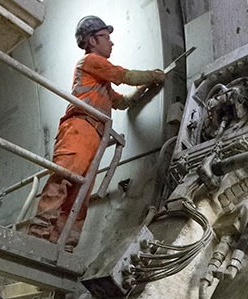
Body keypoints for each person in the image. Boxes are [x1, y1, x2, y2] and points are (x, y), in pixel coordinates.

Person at [27, 15, 165, 253]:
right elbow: (126, 76)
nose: (111, 43)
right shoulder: (90, 61)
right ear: (92, 40)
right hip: (79, 128)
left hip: (94, 135)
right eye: (106, 38)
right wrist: (153, 75)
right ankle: (37, 237)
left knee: (81, 191)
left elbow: (122, 103)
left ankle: (63, 245)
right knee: (65, 177)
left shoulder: (101, 82)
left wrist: (146, 88)